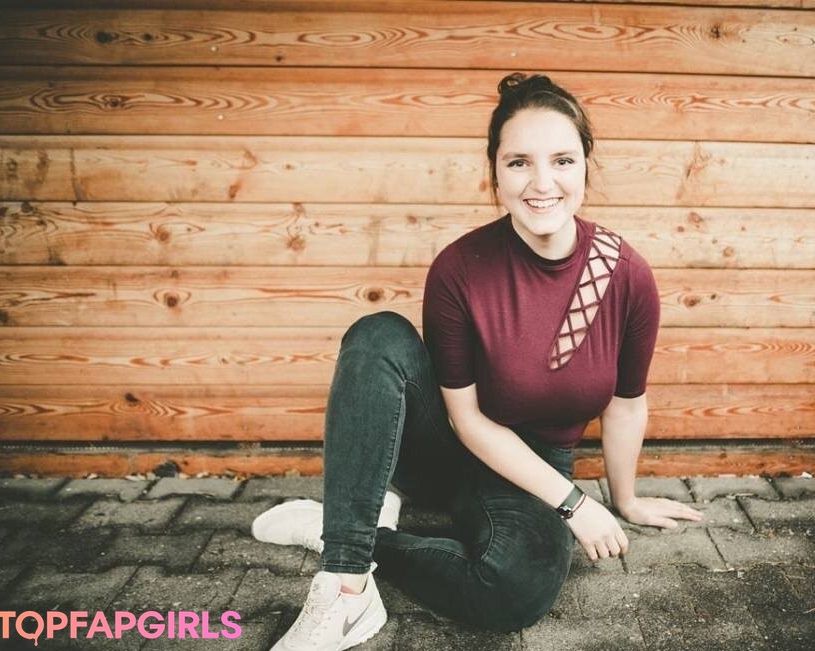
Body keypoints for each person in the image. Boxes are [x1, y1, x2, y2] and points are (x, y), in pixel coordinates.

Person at [250, 72, 704, 651]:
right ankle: (346, 584)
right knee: (377, 334)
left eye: (562, 160)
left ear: (586, 167)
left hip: (533, 469)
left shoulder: (626, 274)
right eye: (519, 163)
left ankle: (339, 529)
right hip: (446, 448)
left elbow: (626, 404)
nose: (542, 182)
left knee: (513, 592)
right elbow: (465, 419)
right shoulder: (460, 268)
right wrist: (575, 505)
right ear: (495, 173)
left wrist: (625, 500)